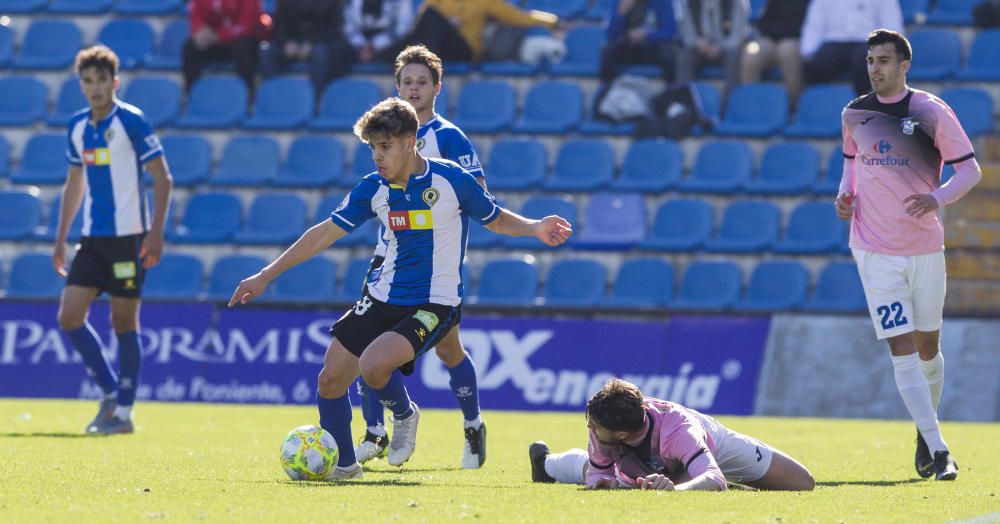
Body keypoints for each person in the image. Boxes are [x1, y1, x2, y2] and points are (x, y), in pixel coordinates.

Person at [228, 97, 572, 479]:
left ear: (411, 142)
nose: (377, 155)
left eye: (385, 146)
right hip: (382, 297)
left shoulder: (451, 179)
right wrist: (266, 274)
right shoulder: (373, 187)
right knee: (330, 379)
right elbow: (323, 233)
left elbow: (495, 219)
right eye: (373, 147)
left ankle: (405, 415)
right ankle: (345, 465)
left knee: (375, 367)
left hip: (435, 302)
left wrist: (534, 226)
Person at [835, 29, 982, 481]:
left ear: (904, 65)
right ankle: (940, 451)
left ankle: (924, 429)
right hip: (874, 250)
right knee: (901, 349)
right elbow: (850, 169)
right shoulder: (855, 114)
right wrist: (844, 196)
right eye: (870, 61)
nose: (875, 68)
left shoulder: (930, 112)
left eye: (883, 60)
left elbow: (970, 172)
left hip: (923, 248)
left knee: (927, 348)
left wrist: (936, 199)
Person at [353, 45, 491, 470]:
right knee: (365, 342)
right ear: (397, 86)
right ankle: (374, 432)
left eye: (422, 82)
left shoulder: (448, 137)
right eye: (407, 81)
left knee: (451, 353)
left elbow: (476, 196)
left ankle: (473, 425)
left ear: (436, 87)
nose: (414, 88)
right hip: (388, 258)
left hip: (435, 271)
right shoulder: (385, 131)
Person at [54, 45, 174, 435]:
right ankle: (109, 391)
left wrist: (154, 234)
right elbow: (75, 184)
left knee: (124, 321)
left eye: (101, 80)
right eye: (87, 81)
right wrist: (60, 239)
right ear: (81, 85)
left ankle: (122, 412)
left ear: (114, 82)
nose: (94, 88)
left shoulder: (132, 122)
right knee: (69, 316)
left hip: (128, 240)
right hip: (91, 239)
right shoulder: (76, 127)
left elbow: (162, 178)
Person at [529, 379, 815, 491]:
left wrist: (675, 490)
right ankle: (545, 465)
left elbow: (715, 478)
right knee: (591, 469)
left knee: (801, 482)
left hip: (713, 448)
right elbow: (596, 475)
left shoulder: (678, 429)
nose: (589, 428)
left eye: (594, 427)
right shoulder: (603, 421)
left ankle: (686, 476)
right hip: (643, 466)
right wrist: (602, 483)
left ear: (621, 433)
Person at [390, 0, 559, 63]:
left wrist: (551, 21)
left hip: (466, 48)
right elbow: (421, 25)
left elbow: (514, 16)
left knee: (430, 16)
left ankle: (426, 61)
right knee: (418, 29)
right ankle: (385, 56)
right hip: (439, 46)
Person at [800, 0, 903, 96]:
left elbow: (891, 26)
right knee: (820, 62)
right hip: (834, 41)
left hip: (868, 41)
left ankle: (863, 104)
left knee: (866, 60)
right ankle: (819, 104)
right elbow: (814, 26)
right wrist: (809, 52)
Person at [260, 0, 354, 95]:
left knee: (320, 53)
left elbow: (335, 29)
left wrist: (312, 43)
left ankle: (317, 97)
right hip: (292, 43)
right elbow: (279, 26)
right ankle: (273, 94)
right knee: (268, 52)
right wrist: (286, 42)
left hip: (320, 42)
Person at [183, 0, 270, 94]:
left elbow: (246, 25)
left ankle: (248, 92)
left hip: (242, 39)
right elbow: (196, 17)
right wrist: (199, 31)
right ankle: (191, 93)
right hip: (214, 41)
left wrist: (219, 36)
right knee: (190, 46)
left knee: (243, 48)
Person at [740, 0, 807, 106]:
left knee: (786, 51)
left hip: (795, 40)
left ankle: (792, 106)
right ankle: (750, 103)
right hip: (769, 40)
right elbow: (763, 22)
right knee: (751, 54)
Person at [675, 0, 750, 94]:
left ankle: (730, 99)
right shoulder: (690, 3)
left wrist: (719, 47)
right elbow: (687, 32)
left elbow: (738, 35)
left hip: (726, 48)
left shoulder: (736, 2)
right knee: (685, 55)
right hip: (700, 48)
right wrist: (698, 42)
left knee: (734, 55)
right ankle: (685, 98)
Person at [599, 0, 678, 84]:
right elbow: (611, 35)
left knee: (668, 53)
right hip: (629, 47)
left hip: (653, 48)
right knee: (608, 50)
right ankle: (606, 89)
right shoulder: (621, 2)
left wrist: (646, 35)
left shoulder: (662, 2)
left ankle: (671, 89)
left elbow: (670, 31)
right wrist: (621, 13)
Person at [343, 0, 415, 64]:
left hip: (388, 42)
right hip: (357, 41)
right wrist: (361, 45)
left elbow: (402, 28)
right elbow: (348, 26)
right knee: (337, 50)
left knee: (405, 52)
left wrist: (375, 45)